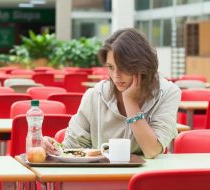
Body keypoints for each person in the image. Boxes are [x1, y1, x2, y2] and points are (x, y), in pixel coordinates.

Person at [43, 28, 181, 158]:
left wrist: (130, 101)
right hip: (100, 180)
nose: (116, 75)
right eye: (110, 67)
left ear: (142, 66)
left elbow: (152, 150)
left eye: (123, 67)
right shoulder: (95, 95)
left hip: (145, 179)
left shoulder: (168, 93)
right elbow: (70, 148)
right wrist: (52, 147)